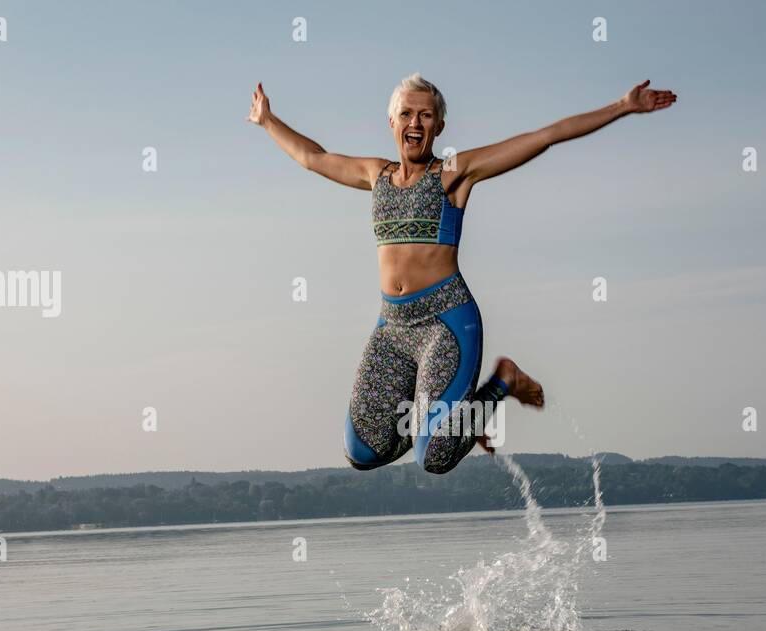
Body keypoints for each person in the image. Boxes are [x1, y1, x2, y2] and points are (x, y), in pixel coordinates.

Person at [248, 74, 676, 473]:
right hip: (392, 327)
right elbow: (313, 157)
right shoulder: (374, 175)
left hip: (446, 322)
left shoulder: (452, 174)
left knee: (432, 457)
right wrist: (268, 120)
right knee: (362, 450)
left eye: (426, 115)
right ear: (391, 122)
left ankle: (501, 383)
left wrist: (622, 106)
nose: (415, 122)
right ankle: (455, 421)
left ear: (439, 126)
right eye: (407, 114)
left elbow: (544, 137)